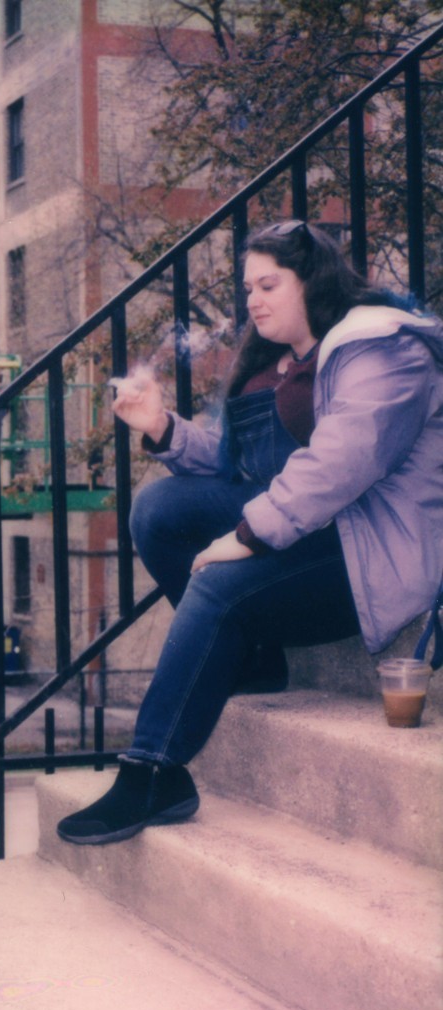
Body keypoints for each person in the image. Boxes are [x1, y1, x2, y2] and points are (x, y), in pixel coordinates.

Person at [58, 219, 443, 846]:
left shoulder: (384, 348)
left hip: (370, 551)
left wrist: (247, 536)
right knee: (157, 510)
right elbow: (243, 467)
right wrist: (163, 428)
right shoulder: (281, 361)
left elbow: (341, 462)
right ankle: (255, 658)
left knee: (217, 584)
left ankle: (156, 771)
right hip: (306, 529)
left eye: (269, 284)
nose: (253, 300)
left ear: (312, 283)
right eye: (247, 288)